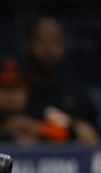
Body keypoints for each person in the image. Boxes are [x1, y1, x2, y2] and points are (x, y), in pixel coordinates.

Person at [22, 16, 98, 146]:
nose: (48, 49)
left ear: (63, 47)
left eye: (54, 41)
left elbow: (92, 137)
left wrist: (41, 129)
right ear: (27, 46)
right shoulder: (16, 92)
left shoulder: (78, 97)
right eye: (41, 41)